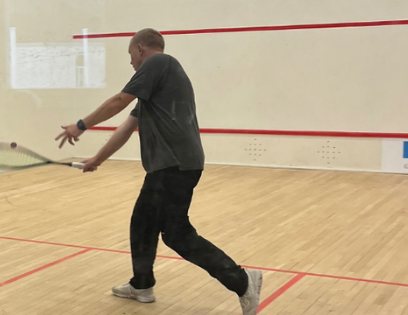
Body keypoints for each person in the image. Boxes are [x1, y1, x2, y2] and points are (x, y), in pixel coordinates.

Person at [54, 28, 262, 314]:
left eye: (130, 56)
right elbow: (126, 128)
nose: (130, 63)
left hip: (174, 165)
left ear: (140, 49)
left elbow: (118, 101)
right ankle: (141, 284)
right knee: (143, 223)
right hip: (171, 166)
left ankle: (242, 281)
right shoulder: (157, 88)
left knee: (177, 234)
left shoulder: (159, 63)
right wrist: (97, 159)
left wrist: (81, 124)